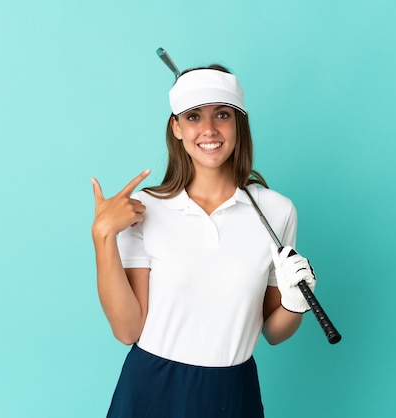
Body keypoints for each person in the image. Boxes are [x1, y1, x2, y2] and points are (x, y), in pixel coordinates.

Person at [91, 63, 317, 417]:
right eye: (194, 117)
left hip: (233, 390)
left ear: (238, 124)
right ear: (176, 128)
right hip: (152, 387)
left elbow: (273, 333)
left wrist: (295, 303)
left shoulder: (277, 212)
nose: (209, 129)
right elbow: (127, 329)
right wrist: (103, 235)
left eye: (222, 114)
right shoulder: (146, 209)